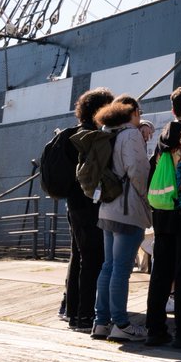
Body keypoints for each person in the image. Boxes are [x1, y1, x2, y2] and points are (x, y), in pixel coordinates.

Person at [92, 95, 152, 341]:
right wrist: (147, 197)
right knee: (121, 269)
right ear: (134, 112)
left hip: (106, 206)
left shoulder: (107, 132)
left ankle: (101, 322)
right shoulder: (130, 135)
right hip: (128, 208)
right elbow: (138, 170)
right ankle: (121, 324)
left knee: (108, 266)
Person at [144, 86, 181, 349]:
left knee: (160, 272)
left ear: (173, 109)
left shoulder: (162, 137)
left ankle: (155, 329)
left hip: (161, 211)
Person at [63, 88, 114, 332]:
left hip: (72, 203)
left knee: (78, 257)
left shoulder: (70, 134)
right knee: (93, 258)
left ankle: (69, 309)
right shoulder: (94, 137)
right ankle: (84, 316)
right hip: (89, 204)